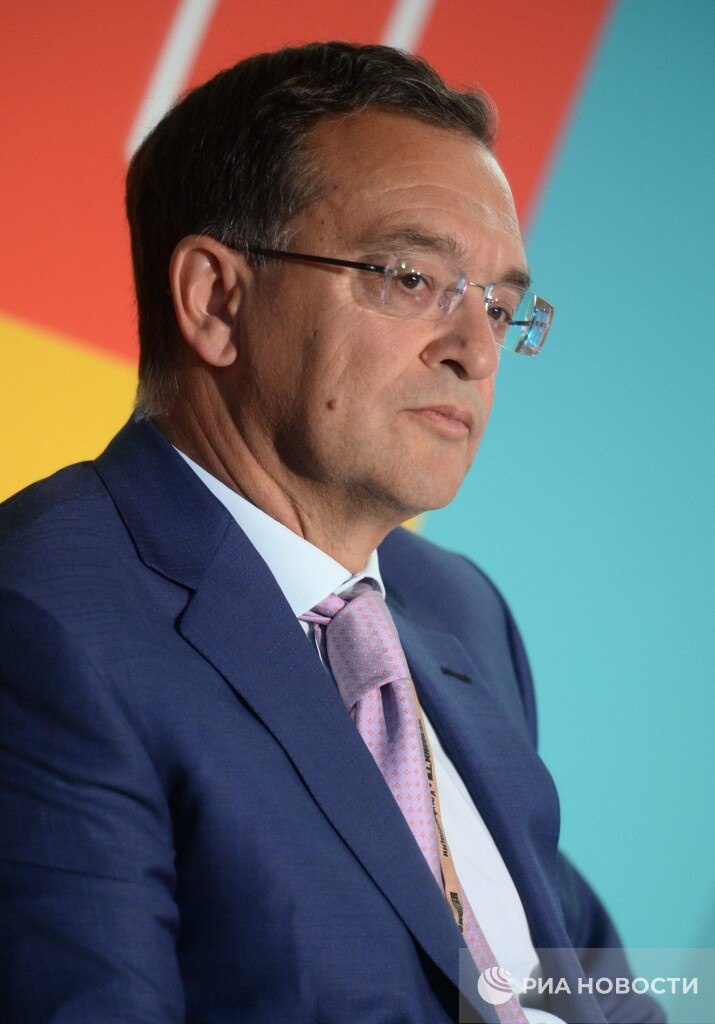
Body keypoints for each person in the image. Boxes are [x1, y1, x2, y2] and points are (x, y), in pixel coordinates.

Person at [0, 42, 662, 1024]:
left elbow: (596, 990)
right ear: (216, 300)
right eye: (411, 278)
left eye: (498, 307)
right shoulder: (47, 620)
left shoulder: (460, 611)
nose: (476, 352)